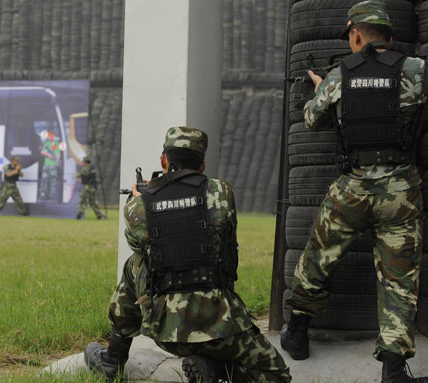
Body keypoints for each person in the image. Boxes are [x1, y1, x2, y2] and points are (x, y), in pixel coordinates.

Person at [280, 1, 427, 382]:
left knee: (318, 257)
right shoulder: (417, 71)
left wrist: (321, 88)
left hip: (353, 188)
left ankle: (296, 332)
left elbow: (312, 120)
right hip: (400, 190)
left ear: (356, 34)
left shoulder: (339, 75)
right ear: (391, 38)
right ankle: (393, 369)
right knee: (399, 278)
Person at [84, 127, 291, 383]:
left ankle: (113, 358)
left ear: (163, 160)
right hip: (222, 327)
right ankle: (218, 372)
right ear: (202, 165)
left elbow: (138, 244)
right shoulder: (223, 192)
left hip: (168, 331)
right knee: (277, 376)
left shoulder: (139, 206)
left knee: (135, 263)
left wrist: (141, 199)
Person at [39, 131, 61, 201]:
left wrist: (57, 159)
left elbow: (58, 153)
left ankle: (52, 198)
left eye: (52, 136)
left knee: (53, 182)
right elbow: (42, 152)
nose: (51, 137)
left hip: (53, 166)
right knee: (44, 181)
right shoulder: (47, 144)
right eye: (50, 136)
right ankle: (42, 197)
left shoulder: (56, 144)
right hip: (46, 165)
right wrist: (48, 155)